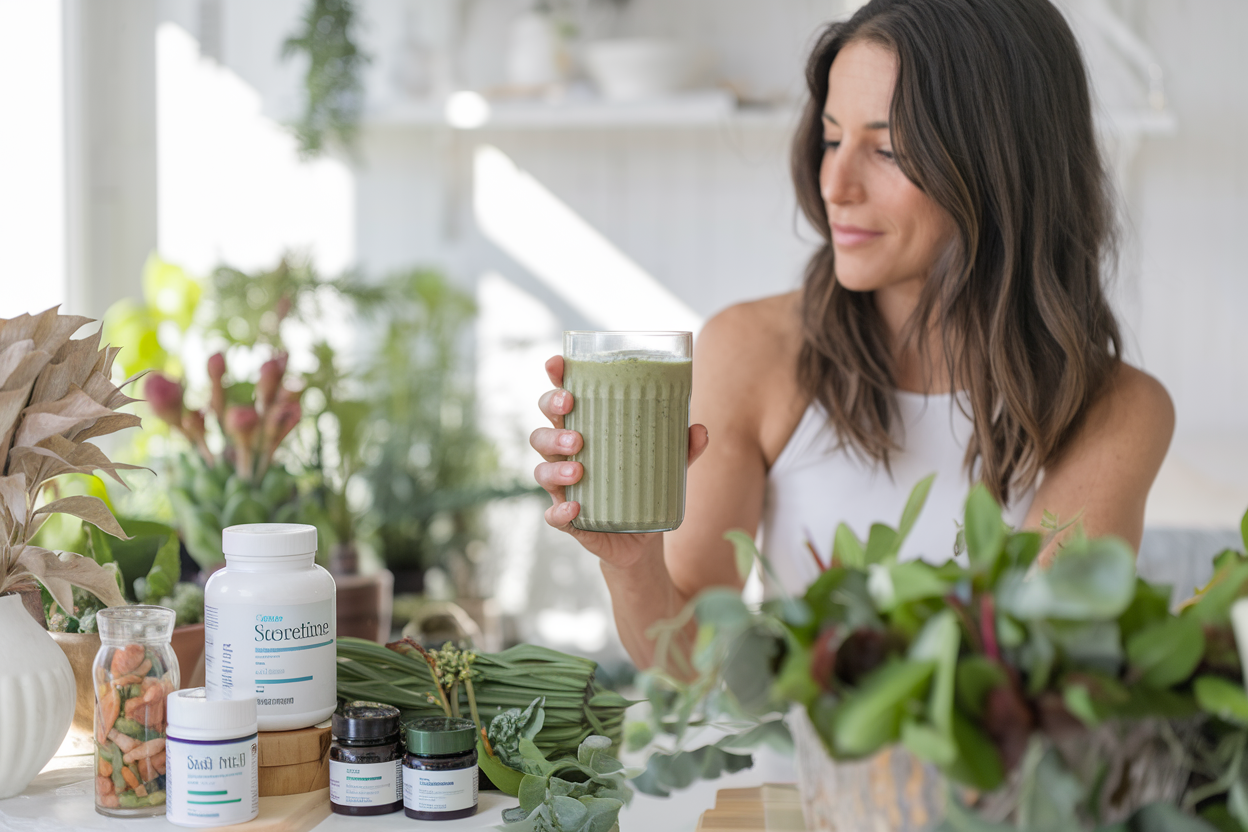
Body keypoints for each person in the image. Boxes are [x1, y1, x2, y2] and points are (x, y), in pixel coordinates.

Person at [530, 0, 1174, 669]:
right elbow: (690, 661)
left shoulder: (1116, 409)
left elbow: (1029, 675)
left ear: (1003, 165)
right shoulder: (751, 351)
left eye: (887, 149)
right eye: (832, 139)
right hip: (784, 778)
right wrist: (632, 564)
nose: (834, 185)